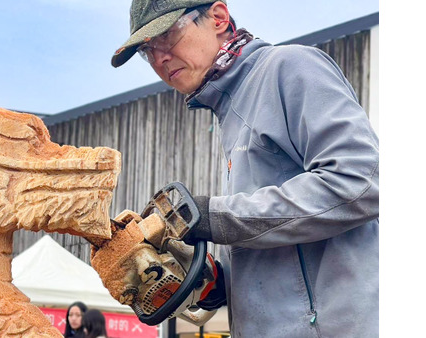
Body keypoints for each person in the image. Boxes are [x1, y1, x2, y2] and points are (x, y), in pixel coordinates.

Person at [112, 1, 379, 337]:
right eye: (147, 51)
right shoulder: (228, 111)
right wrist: (217, 284)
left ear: (219, 17)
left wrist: (213, 217)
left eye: (167, 35)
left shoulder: (289, 67)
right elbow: (280, 244)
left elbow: (362, 181)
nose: (159, 58)